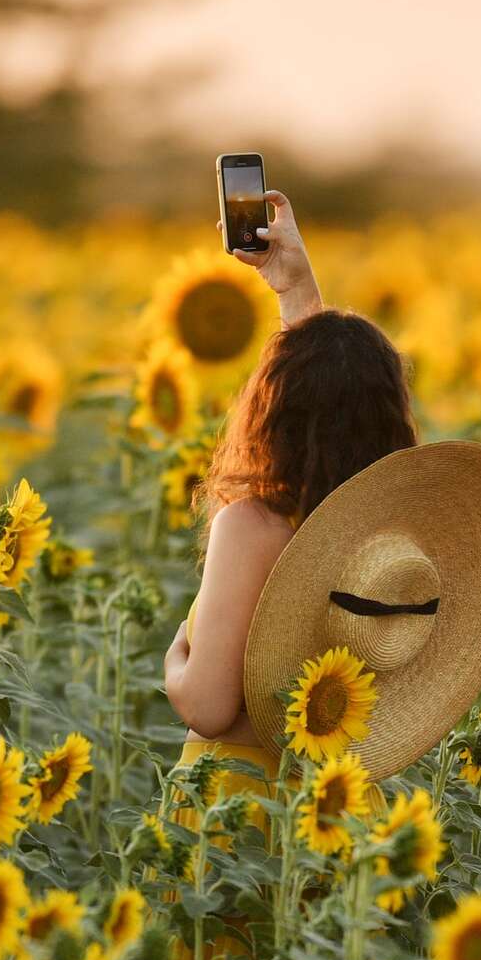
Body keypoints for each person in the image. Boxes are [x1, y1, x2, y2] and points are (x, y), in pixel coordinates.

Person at [163, 190, 418, 794]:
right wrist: (295, 291)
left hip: (242, 811)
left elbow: (209, 707)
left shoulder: (253, 525)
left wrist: (175, 660)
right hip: (340, 804)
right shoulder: (384, 531)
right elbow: (339, 395)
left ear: (271, 408)